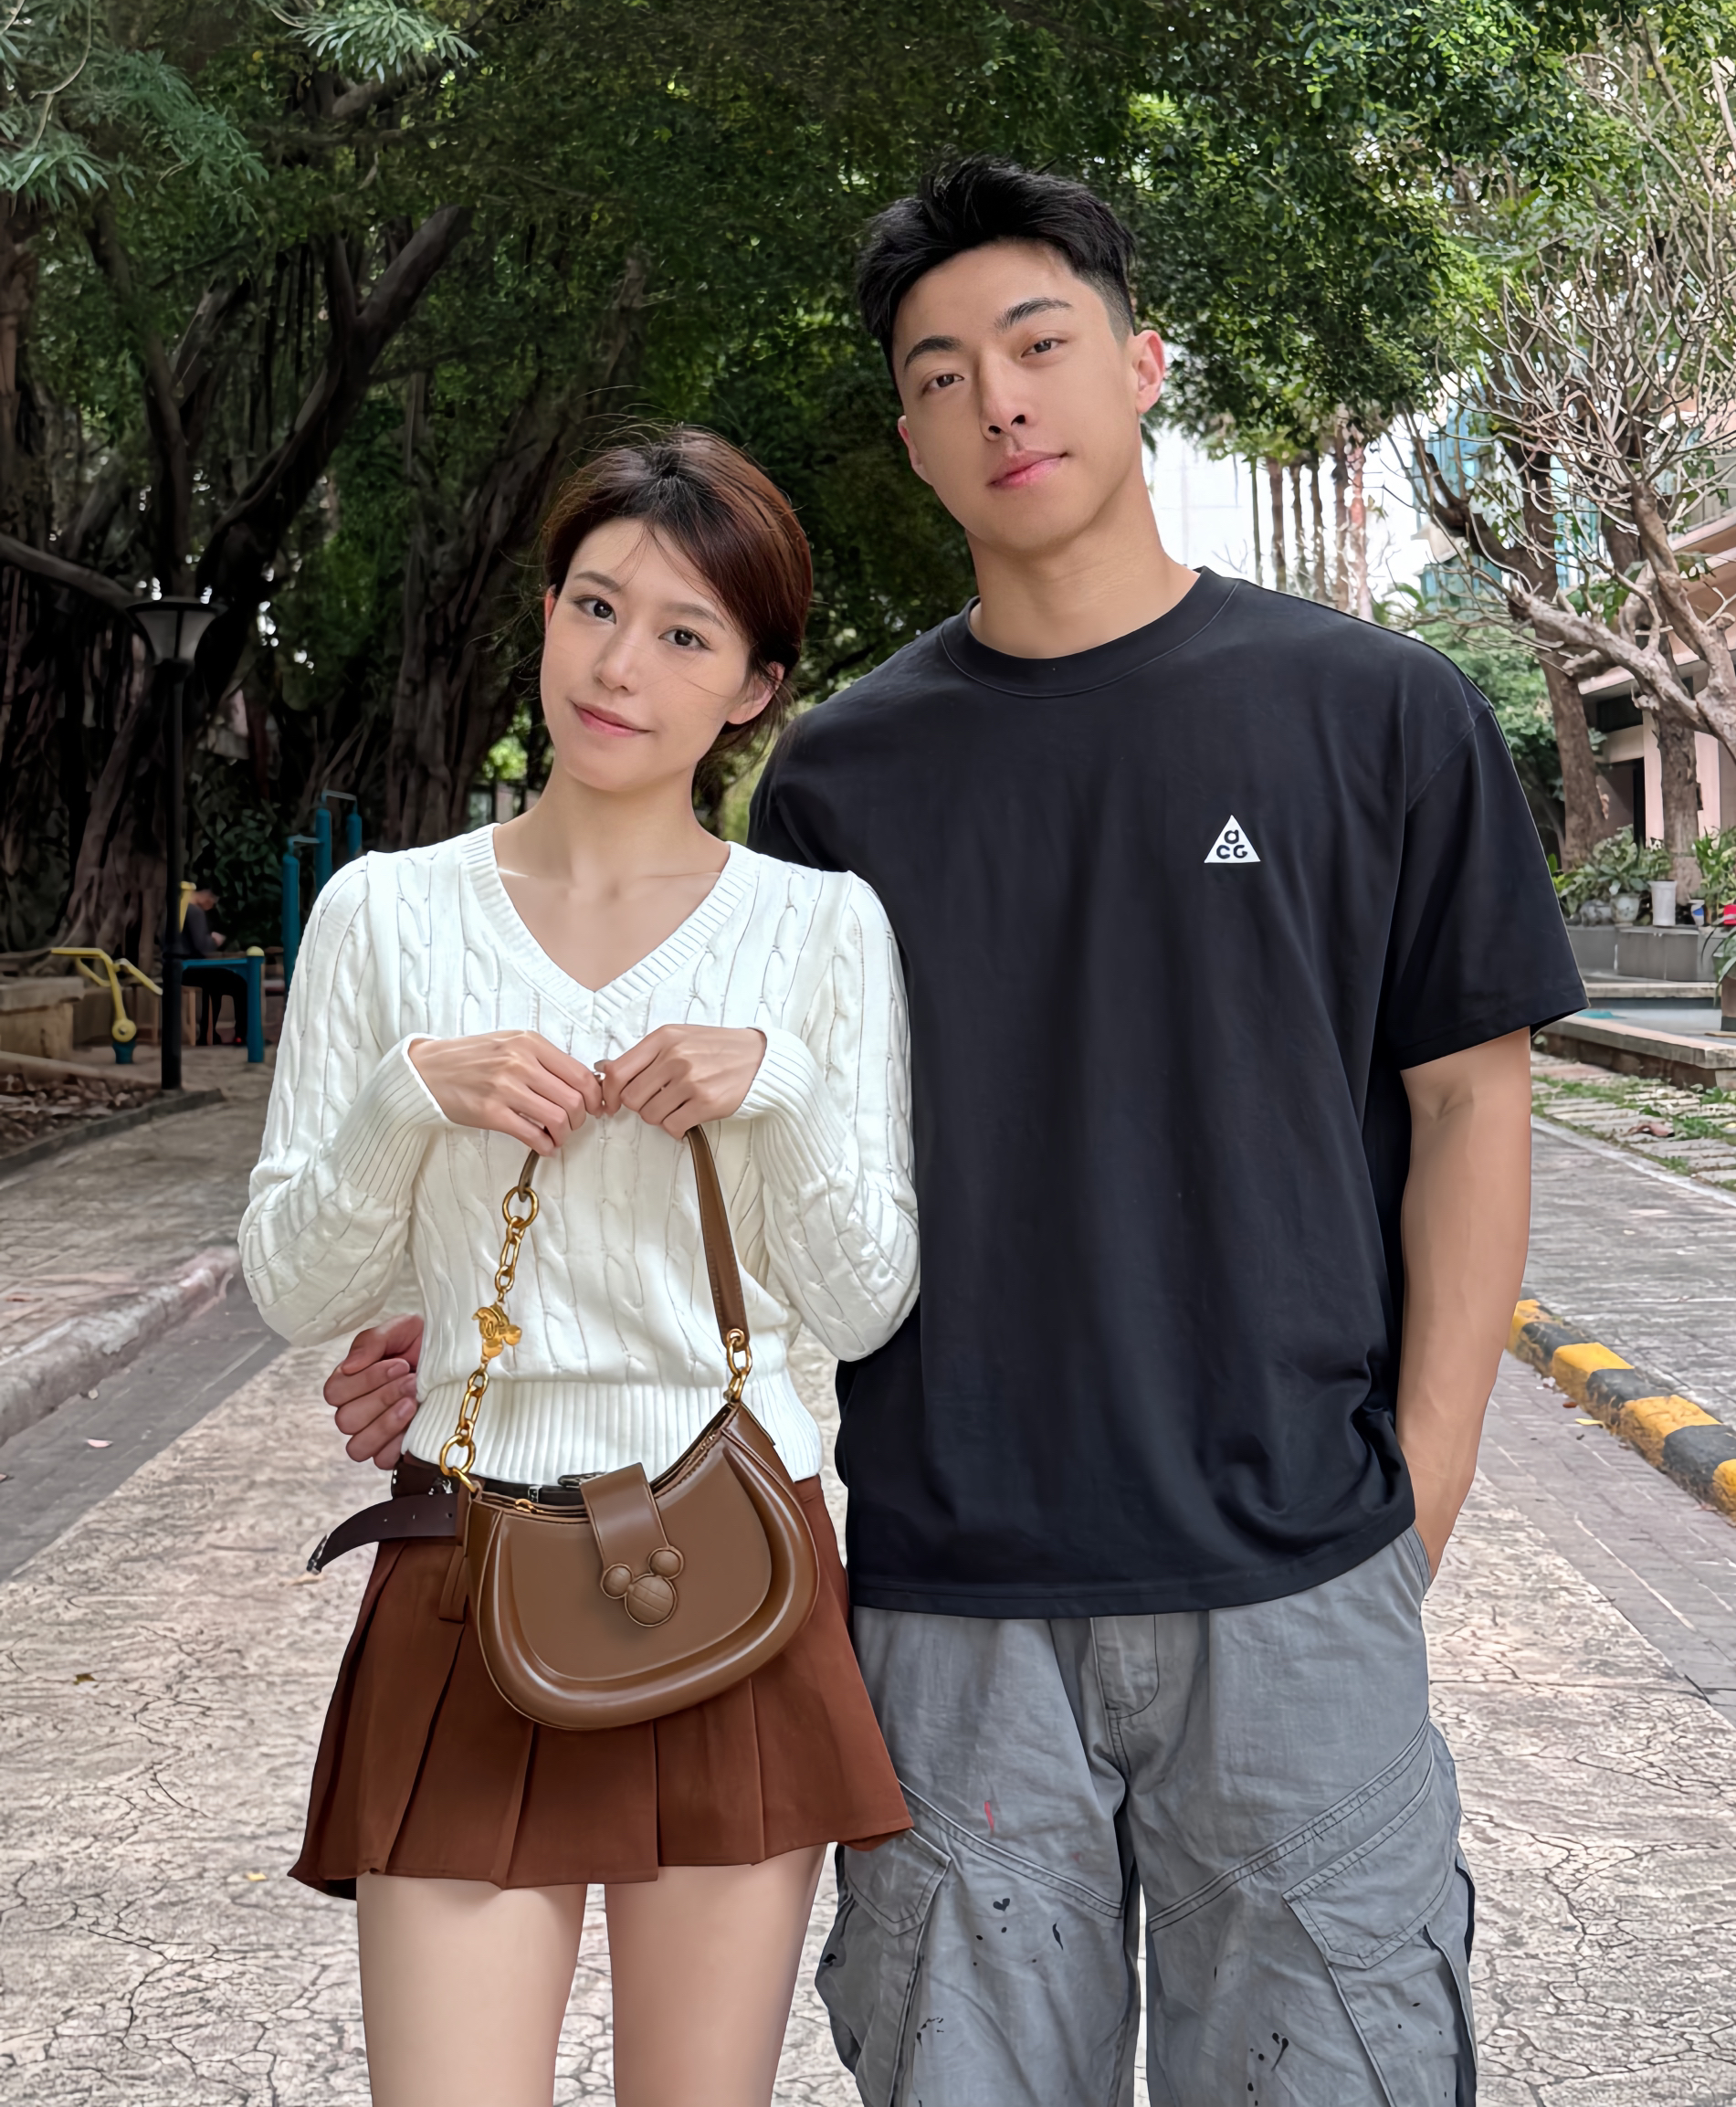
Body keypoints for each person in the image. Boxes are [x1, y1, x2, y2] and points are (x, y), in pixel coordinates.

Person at [326, 158, 1586, 2105]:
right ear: (908, 439)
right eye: (938, 375)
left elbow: (1470, 1100)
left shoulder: (1379, 713)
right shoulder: (845, 781)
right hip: (945, 1582)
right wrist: (497, 1303)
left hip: (1298, 1570)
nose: (998, 399)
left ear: (1143, 364)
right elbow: (753, 1143)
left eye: (1038, 342)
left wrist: (1419, 1493)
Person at [241, 428, 919, 2107]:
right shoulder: (387, 915)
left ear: (754, 687)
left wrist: (778, 1088)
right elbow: (296, 1289)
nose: (622, 668)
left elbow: (863, 1302)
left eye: (687, 635)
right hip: (465, 1556)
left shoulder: (820, 929)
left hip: (738, 1556)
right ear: (544, 616)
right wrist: (412, 1097)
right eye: (597, 608)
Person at [181, 885, 248, 1044]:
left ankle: (208, 1033)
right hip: (190, 969)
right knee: (240, 984)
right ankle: (242, 1034)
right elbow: (202, 946)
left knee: (214, 984)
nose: (212, 905)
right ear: (206, 895)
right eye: (213, 901)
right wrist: (214, 940)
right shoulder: (195, 912)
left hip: (179, 968)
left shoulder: (178, 909)